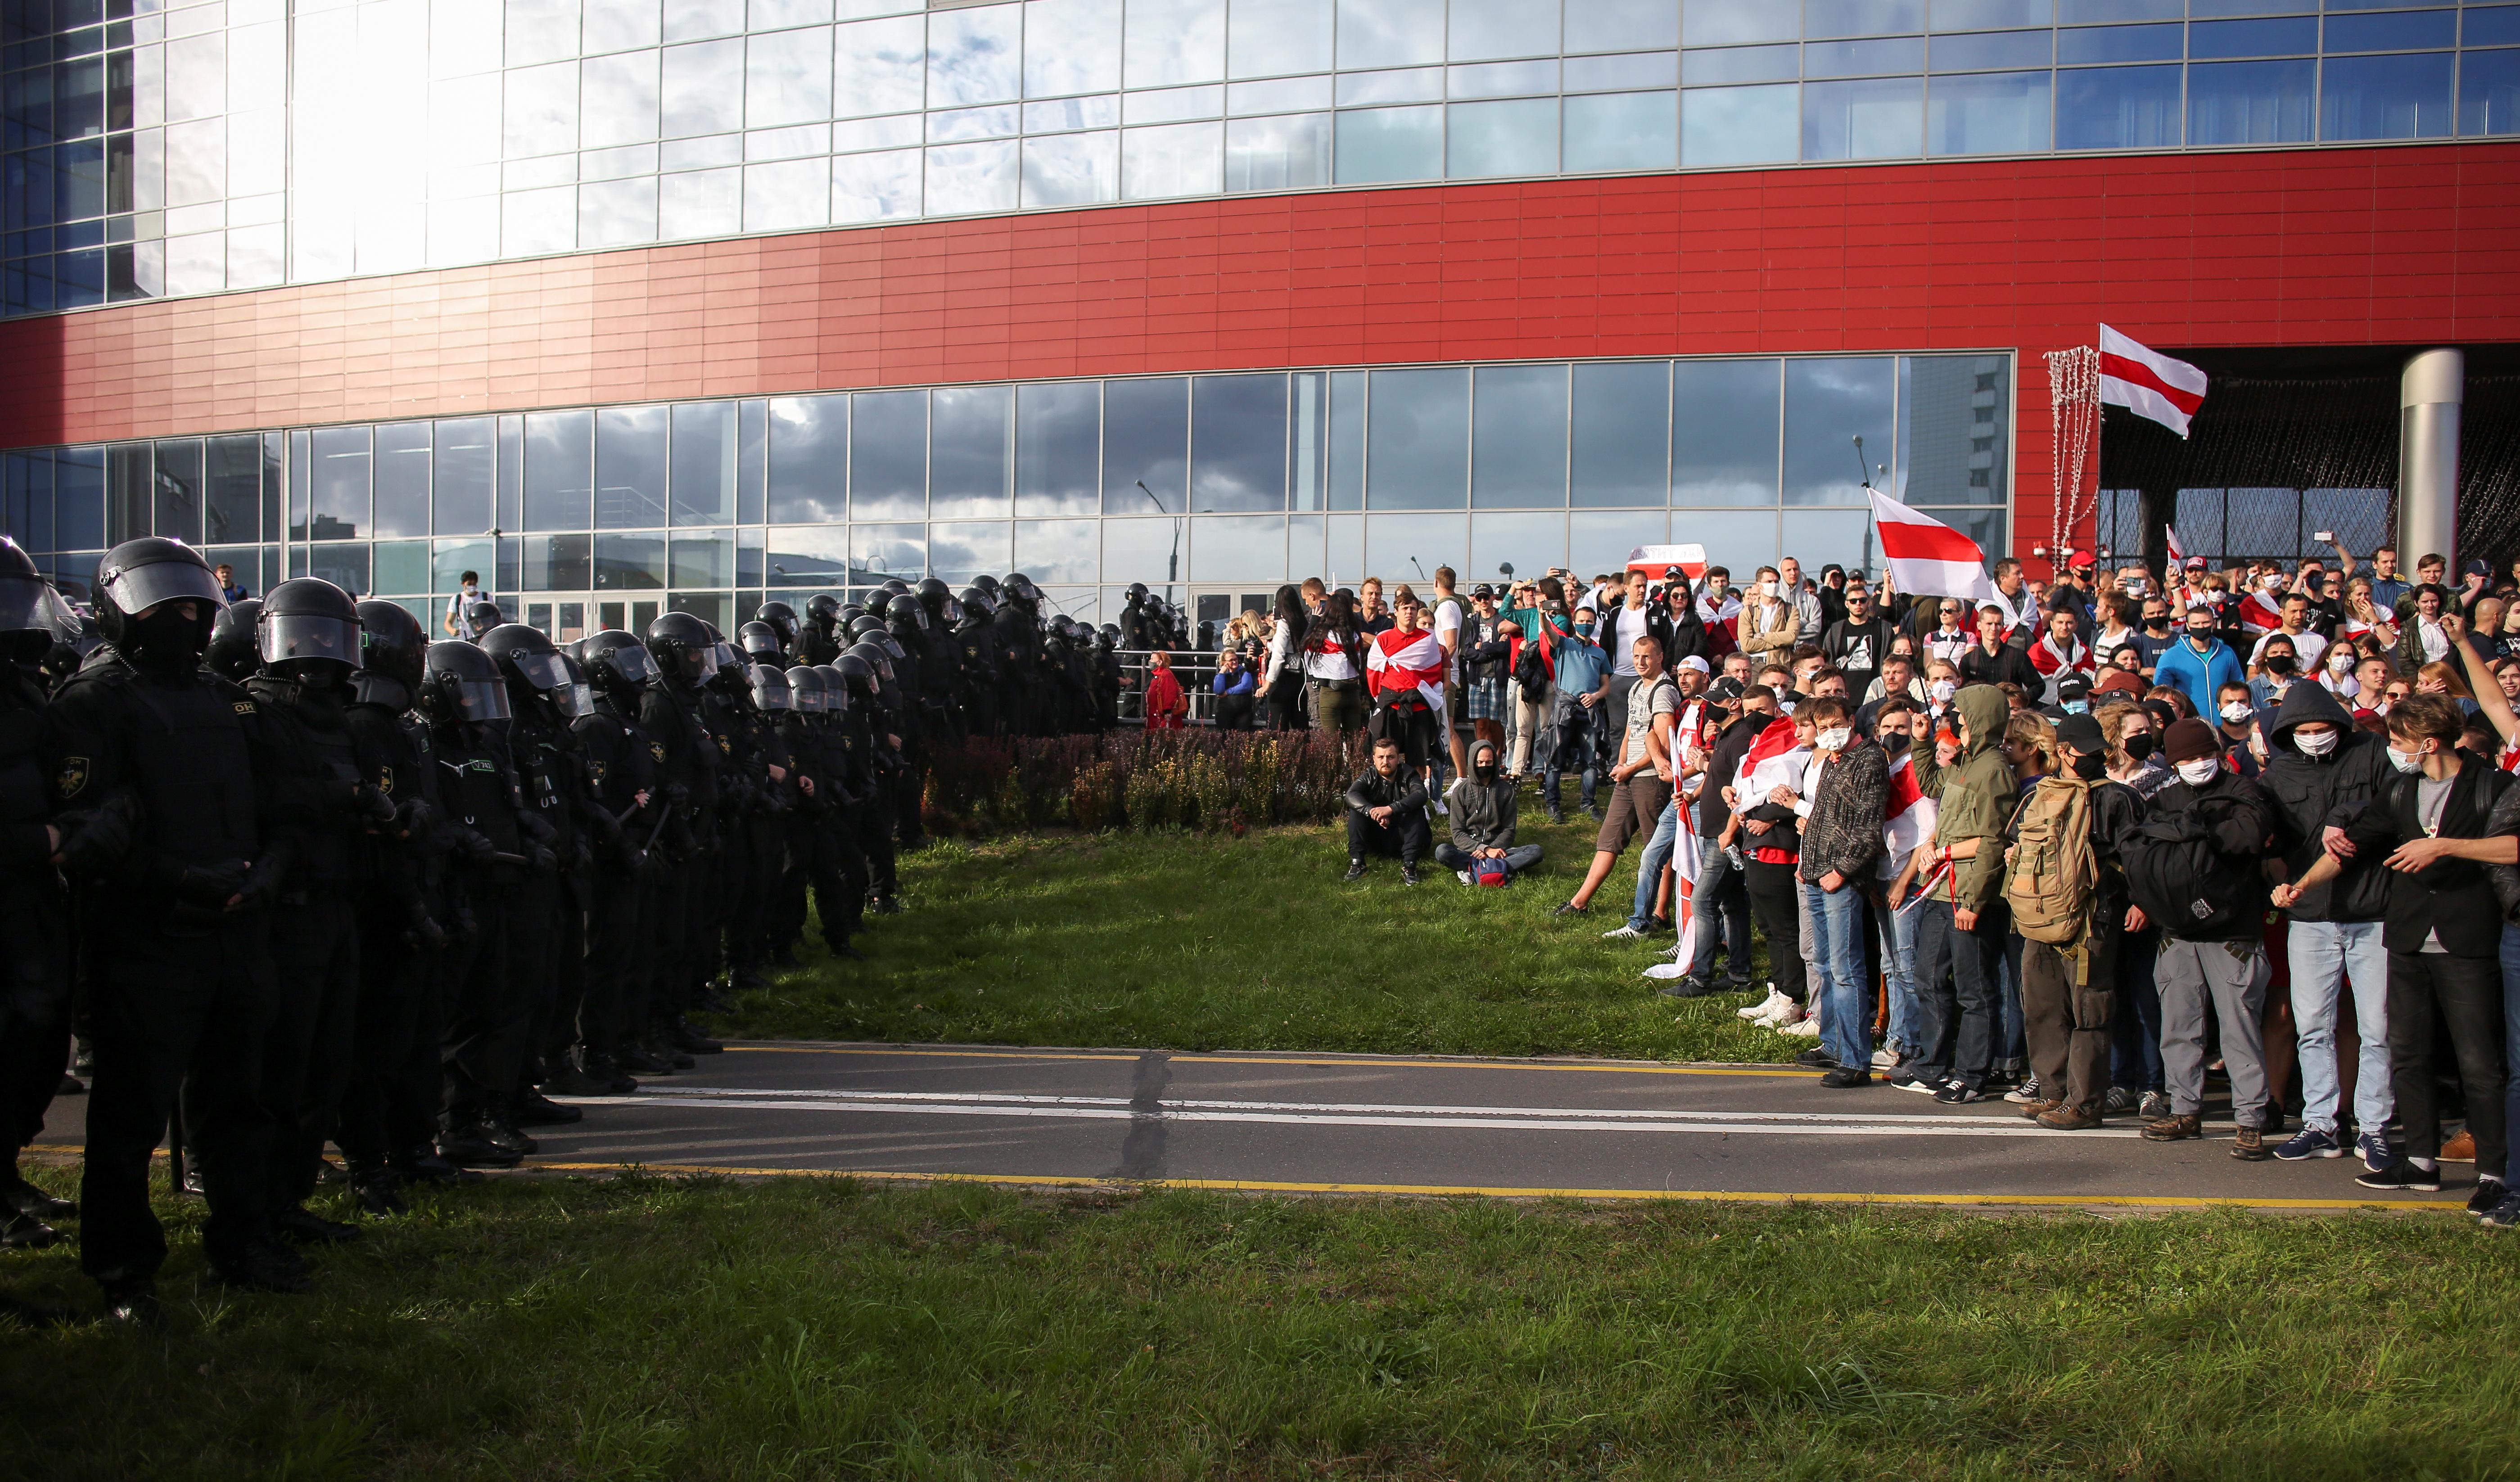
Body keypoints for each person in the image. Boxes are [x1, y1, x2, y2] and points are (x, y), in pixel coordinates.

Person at [48, 538, 298, 1321]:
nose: (185, 617)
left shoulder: (225, 699)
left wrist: (265, 875)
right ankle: (124, 1270)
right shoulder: (94, 703)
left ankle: (243, 1238)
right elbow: (89, 836)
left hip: (234, 930)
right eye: (165, 603)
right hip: (146, 938)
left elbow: (276, 807)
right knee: (130, 1114)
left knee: (237, 1100)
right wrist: (182, 880)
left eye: (195, 603)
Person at [2258, 679, 2395, 1167]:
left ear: (2339, 725)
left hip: (2373, 911)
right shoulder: (2278, 774)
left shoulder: (2373, 753)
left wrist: (2349, 811)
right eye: (2305, 730)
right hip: (2311, 917)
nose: (2315, 736)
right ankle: (2321, 1123)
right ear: (2290, 732)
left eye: (2323, 729)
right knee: (2313, 1024)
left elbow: (2397, 801)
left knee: (2377, 1026)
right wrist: (2274, 876)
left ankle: (2373, 1127)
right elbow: (2269, 840)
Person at [2130, 718, 2278, 1156]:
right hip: (2177, 932)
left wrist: (2197, 831)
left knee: (2240, 1027)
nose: (2197, 764)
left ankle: (2251, 1118)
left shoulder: (2244, 791)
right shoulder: (2162, 799)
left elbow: (2247, 836)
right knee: (2179, 1025)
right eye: (2186, 759)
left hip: (2233, 932)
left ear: (2217, 752)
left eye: (2202, 755)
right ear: (2173, 763)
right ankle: (2184, 1109)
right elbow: (2146, 854)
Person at [1895, 683, 2017, 1103]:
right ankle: (1933, 1064)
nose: (1957, 723)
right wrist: (1922, 740)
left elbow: (1992, 842)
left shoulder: (1994, 770)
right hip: (1939, 892)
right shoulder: (1966, 763)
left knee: (1975, 990)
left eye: (1962, 717)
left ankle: (1972, 1075)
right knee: (1929, 979)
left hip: (1966, 895)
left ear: (1982, 719)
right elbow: (1931, 783)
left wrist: (1973, 901)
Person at [1793, 698, 1888, 1086]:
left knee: (1847, 969)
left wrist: (1842, 870)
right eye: (1822, 724)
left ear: (1851, 721)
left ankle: (1855, 1059)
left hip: (1840, 878)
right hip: (1814, 872)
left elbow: (1868, 825)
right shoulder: (1831, 761)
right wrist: (1807, 863)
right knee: (1825, 964)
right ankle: (1832, 1042)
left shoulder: (1868, 759)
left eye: (1835, 723)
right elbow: (1820, 818)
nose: (1829, 731)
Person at [1553, 636, 1679, 917]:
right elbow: (1632, 731)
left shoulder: (1663, 691)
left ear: (1660, 658)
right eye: (1636, 657)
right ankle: (1579, 903)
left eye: (1647, 657)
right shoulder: (1636, 687)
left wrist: (1632, 768)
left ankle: (1660, 913)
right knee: (1608, 840)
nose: (1640, 662)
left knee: (1657, 849)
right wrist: (1620, 763)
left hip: (1651, 777)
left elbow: (1665, 743)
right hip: (1629, 775)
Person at [1436, 737, 1541, 883]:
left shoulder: (1506, 791)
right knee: (1442, 852)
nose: (1484, 766)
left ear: (1495, 763)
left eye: (1488, 762)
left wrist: (1492, 850)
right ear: (1473, 762)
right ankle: (1495, 869)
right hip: (1469, 850)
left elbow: (1509, 830)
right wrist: (1483, 849)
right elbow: (1458, 833)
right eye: (1480, 763)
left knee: (1536, 851)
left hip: (1499, 850)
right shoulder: (1461, 792)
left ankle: (1474, 869)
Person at [1344, 736, 1431, 884]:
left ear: (1399, 758)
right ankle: (1358, 863)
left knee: (1417, 811)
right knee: (1356, 811)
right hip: (1377, 838)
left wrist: (1390, 809)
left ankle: (1410, 866)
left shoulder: (1409, 774)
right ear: (1374, 759)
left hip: (1405, 838)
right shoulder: (1370, 775)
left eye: (1391, 757)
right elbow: (1351, 795)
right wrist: (1373, 812)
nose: (1385, 762)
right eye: (1381, 757)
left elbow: (1421, 794)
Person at [2155, 602, 2246, 719]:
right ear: (2188, 626)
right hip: (2190, 723)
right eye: (2196, 624)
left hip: (2225, 723)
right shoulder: (2171, 657)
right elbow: (2160, 695)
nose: (2201, 627)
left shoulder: (2227, 653)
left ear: (2213, 624)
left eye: (2206, 623)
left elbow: (2239, 685)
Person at [1820, 581, 1895, 706]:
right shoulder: (1837, 630)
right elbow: (1827, 662)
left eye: (1862, 600)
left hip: (1876, 696)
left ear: (1869, 602)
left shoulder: (1883, 628)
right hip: (1843, 698)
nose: (1858, 604)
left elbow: (1891, 659)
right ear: (1847, 604)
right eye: (1853, 601)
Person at [1301, 591, 1367, 734]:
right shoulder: (1354, 634)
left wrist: (1314, 620)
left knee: (1332, 745)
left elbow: (1303, 646)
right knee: (1354, 742)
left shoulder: (1323, 635)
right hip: (1352, 691)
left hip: (1330, 692)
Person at [1959, 603, 2044, 700]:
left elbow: (2038, 686)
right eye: (1989, 624)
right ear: (1979, 625)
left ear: (2003, 626)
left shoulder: (2018, 656)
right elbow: (1963, 692)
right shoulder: (1968, 660)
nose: (1994, 628)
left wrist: (2020, 702)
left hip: (2010, 712)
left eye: (1998, 624)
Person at [1209, 649, 1255, 730]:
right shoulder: (1221, 675)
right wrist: (1222, 672)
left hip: (1243, 711)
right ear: (1224, 662)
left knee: (1241, 734)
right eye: (1231, 660)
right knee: (1225, 734)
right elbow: (1218, 691)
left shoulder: (1245, 671)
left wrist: (1228, 692)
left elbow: (1245, 686)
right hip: (1225, 711)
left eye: (1236, 659)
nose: (1235, 662)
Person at [1143, 650, 1187, 730]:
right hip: (1155, 717)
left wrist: (1168, 711)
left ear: (1159, 662)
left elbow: (1169, 694)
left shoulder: (1166, 675)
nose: (1150, 661)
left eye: (1152, 659)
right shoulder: (1156, 676)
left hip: (1163, 717)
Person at [442, 571, 489, 638]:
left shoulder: (486, 597)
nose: (472, 587)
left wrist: (485, 625)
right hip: (465, 638)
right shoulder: (457, 599)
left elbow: (493, 617)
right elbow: (448, 622)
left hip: (483, 636)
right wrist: (452, 630)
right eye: (469, 584)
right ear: (463, 584)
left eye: (474, 584)